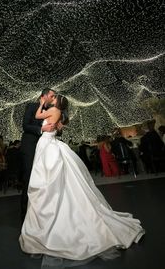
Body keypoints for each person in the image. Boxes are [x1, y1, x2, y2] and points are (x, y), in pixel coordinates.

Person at [19, 94, 145, 266]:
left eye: (54, 97)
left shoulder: (53, 110)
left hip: (48, 146)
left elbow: (37, 117)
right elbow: (55, 125)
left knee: (51, 180)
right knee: (54, 179)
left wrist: (41, 105)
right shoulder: (58, 112)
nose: (53, 98)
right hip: (48, 145)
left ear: (57, 103)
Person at [20, 88, 57, 222]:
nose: (53, 98)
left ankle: (42, 211)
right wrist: (41, 129)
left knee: (44, 178)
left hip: (44, 148)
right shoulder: (32, 106)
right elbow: (25, 126)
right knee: (30, 177)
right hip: (30, 146)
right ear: (44, 96)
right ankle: (25, 213)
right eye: (52, 95)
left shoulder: (51, 110)